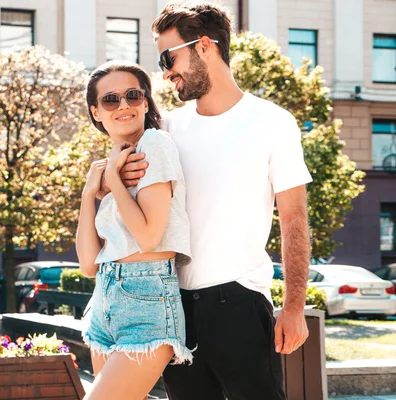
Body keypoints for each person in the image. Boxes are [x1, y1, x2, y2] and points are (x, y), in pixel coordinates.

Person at [111, 2, 312, 399]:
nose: (166, 72)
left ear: (204, 46)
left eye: (169, 57)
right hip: (173, 308)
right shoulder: (166, 128)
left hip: (239, 301)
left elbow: (293, 220)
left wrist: (293, 308)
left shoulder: (272, 122)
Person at [76, 61, 193, 400]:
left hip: (148, 298)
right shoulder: (115, 159)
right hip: (104, 299)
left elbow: (148, 236)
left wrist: (112, 180)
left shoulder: (154, 144)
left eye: (132, 95)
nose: (123, 105)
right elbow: (87, 264)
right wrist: (88, 192)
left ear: (145, 102)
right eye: (111, 100)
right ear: (96, 112)